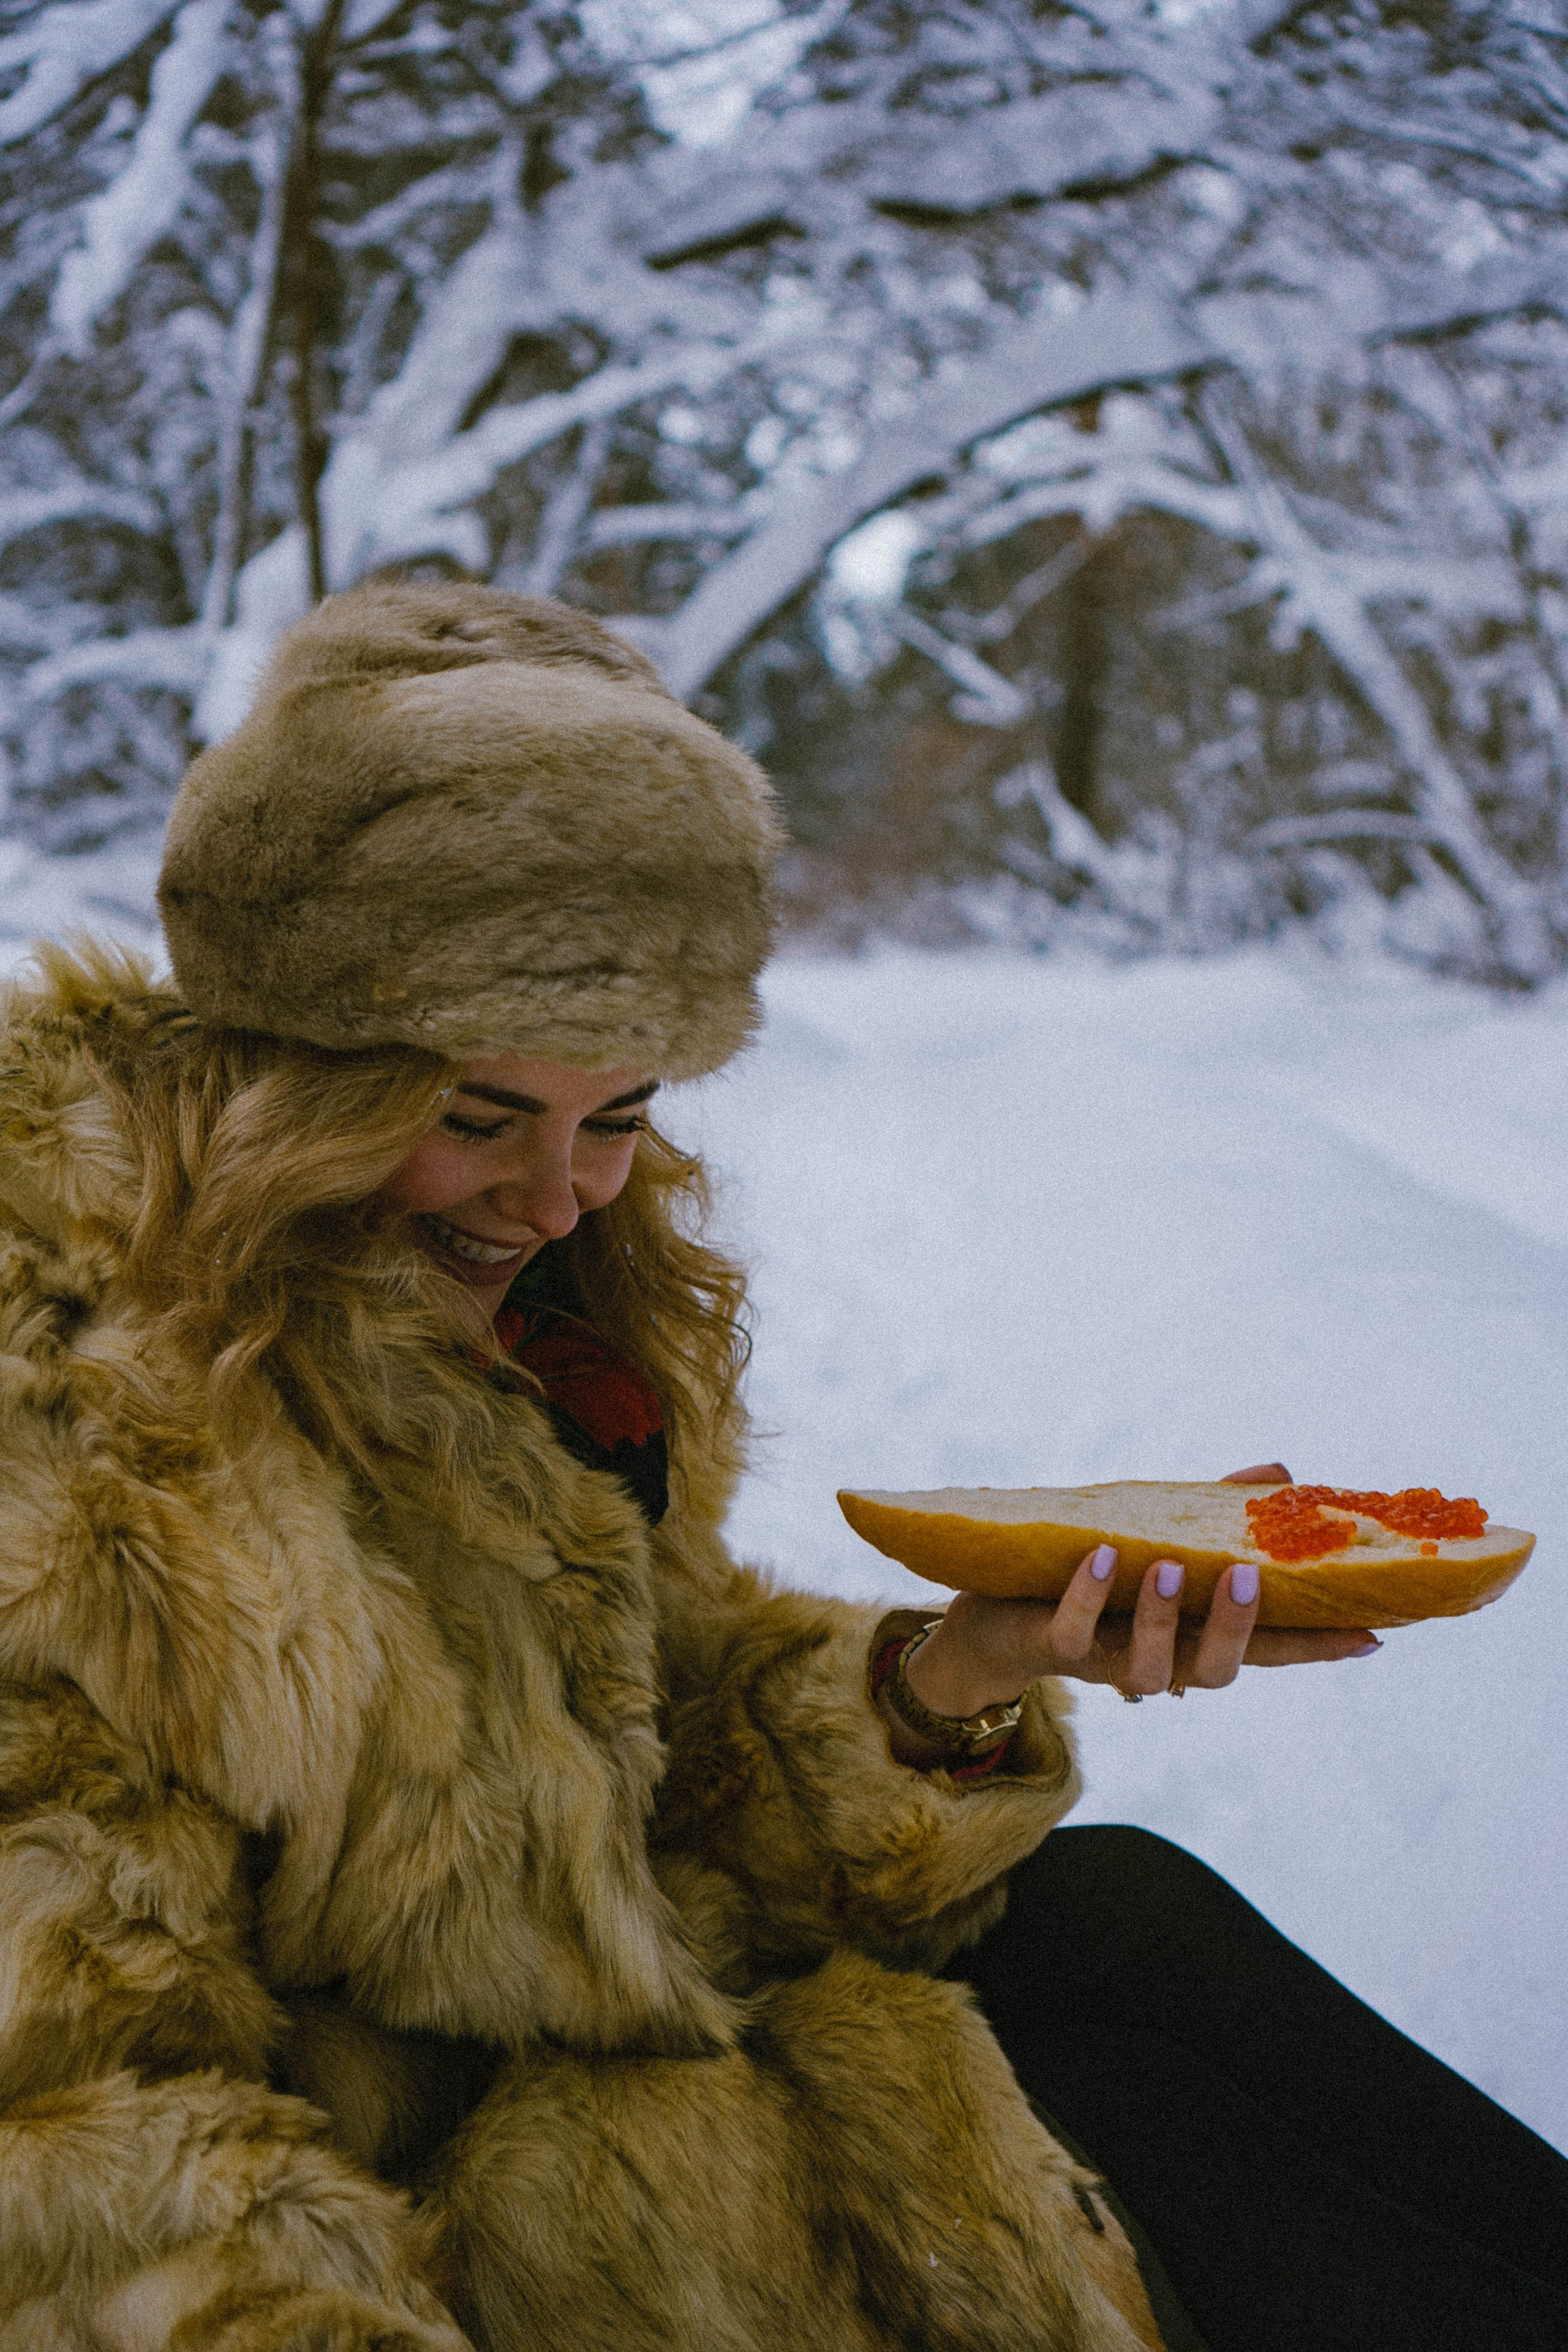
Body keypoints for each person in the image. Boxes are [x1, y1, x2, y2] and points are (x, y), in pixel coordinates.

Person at [0, 582, 1559, 2352]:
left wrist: (953, 1676)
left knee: (1125, 1916)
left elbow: (638, 1774)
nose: (561, 1196)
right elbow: (72, 2143)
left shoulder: (518, 1322)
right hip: (468, 2216)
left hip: (623, 2041)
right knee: (1159, 2152)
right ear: (282, 1071)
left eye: (623, 1114)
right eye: (478, 1117)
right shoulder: (79, 1451)